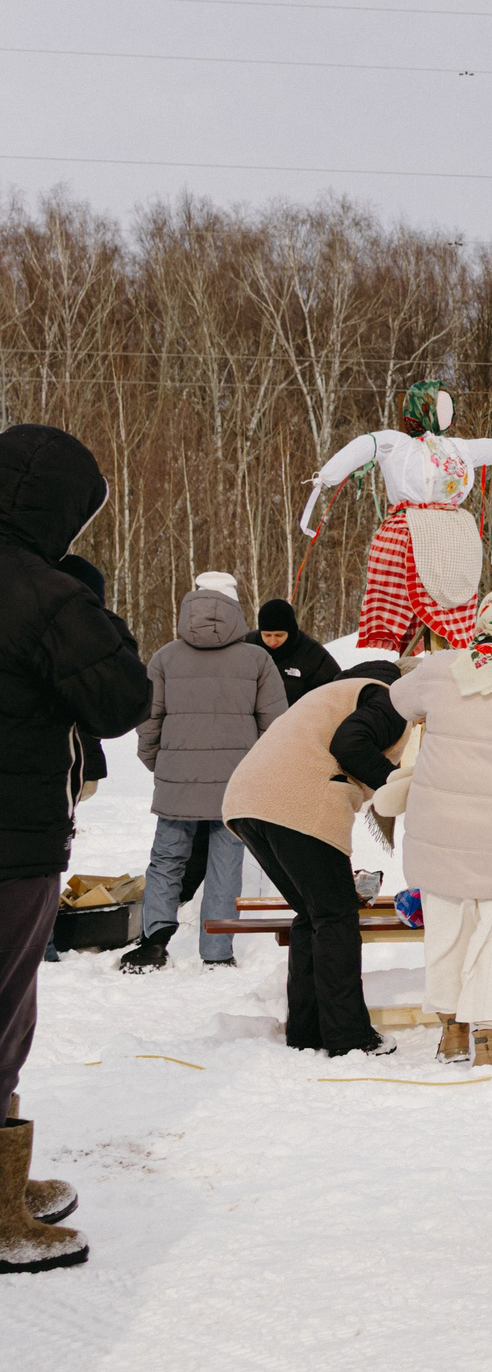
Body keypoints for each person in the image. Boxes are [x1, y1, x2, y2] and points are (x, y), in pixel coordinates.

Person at [0, 424, 152, 1275]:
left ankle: (4, 1185)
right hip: (11, 841)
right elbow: (120, 699)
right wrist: (83, 598)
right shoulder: (42, 591)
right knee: (2, 1016)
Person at [352, 586, 492, 1066]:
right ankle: (489, 1043)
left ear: (482, 619)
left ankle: (451, 1034)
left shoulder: (441, 667)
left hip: (438, 828)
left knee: (446, 929)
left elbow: (399, 701)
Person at [221, 659, 405, 1056]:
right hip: (299, 805)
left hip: (246, 803)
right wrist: (400, 785)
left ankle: (306, 1031)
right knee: (336, 918)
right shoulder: (390, 697)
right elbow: (350, 745)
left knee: (313, 915)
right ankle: (350, 1038)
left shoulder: (330, 695)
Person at [122, 571, 287, 974]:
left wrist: (160, 764)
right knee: (226, 863)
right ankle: (217, 950)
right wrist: (256, 772)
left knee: (166, 859)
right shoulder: (257, 659)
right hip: (235, 782)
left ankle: (154, 941)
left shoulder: (165, 657)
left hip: (177, 776)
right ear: (235, 607)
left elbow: (148, 721)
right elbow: (276, 726)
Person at [300, 378, 492, 655]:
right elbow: (365, 445)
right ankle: (405, 647)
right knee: (407, 589)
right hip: (411, 528)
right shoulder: (397, 443)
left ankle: (441, 648)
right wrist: (328, 475)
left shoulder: (459, 448)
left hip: (455, 535)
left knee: (451, 596)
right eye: (440, 405)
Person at [254, 598, 342, 706]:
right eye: (267, 635)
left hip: (298, 715)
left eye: (279, 635)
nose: (273, 641)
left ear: (290, 632)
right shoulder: (247, 647)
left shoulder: (312, 654)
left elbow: (335, 692)